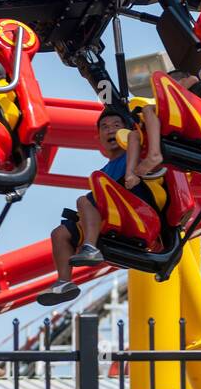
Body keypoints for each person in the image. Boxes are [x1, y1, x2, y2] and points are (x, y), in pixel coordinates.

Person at [37, 106, 164, 306]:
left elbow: (140, 135)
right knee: (60, 233)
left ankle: (90, 247)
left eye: (116, 125)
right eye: (104, 127)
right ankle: (64, 282)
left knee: (84, 200)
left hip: (137, 214)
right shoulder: (105, 170)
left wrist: (132, 170)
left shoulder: (137, 148)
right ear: (98, 137)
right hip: (110, 218)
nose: (110, 130)